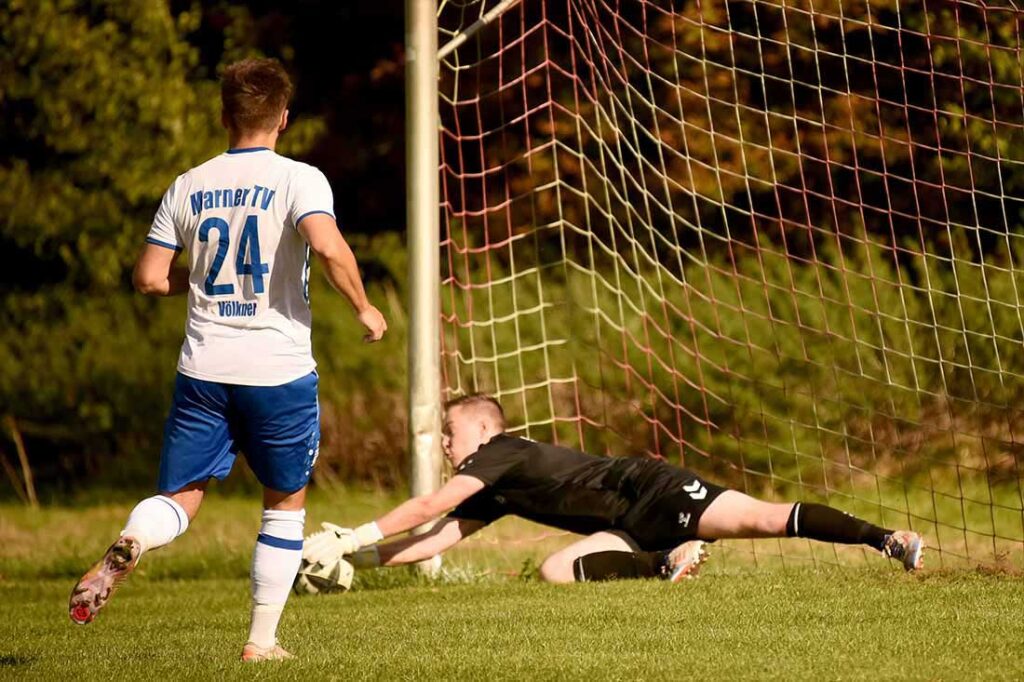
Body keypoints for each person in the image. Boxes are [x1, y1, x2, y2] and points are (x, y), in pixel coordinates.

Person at [68, 58, 387, 662]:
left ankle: (134, 538)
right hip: (278, 371)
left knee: (181, 495)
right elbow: (326, 244)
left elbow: (148, 278)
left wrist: (202, 279)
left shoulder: (187, 184)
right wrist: (365, 308)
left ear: (224, 116)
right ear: (284, 119)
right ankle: (261, 643)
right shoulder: (300, 178)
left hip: (204, 370)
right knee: (285, 500)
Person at [301, 394, 924, 585]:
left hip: (651, 489)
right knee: (554, 571)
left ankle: (886, 538)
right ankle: (666, 562)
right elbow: (437, 536)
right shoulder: (494, 486)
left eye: (451, 430)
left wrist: (356, 531)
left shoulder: (499, 453)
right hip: (628, 530)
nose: (444, 441)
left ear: (485, 428)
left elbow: (431, 505)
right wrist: (357, 556)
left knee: (766, 519)